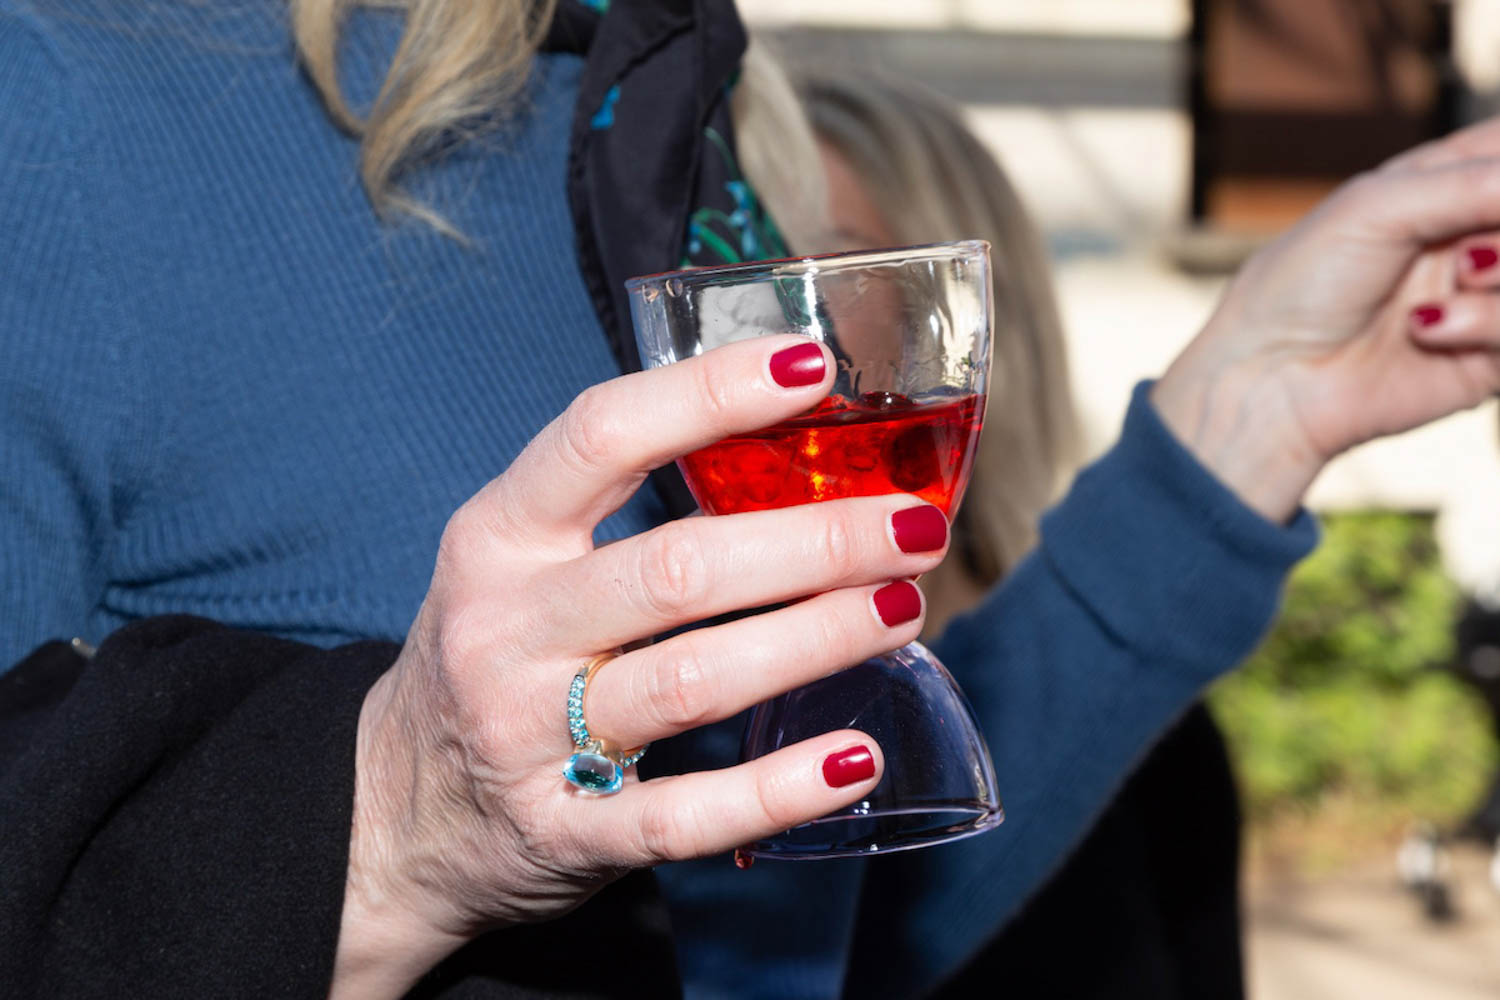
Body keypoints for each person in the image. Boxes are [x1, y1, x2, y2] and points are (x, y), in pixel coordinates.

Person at [4, 3, 1500, 1000]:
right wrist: (390, 820)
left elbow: (786, 905)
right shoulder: (66, 93)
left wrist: (1250, 415)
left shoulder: (662, 111)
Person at [796, 70, 1247, 998]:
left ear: (972, 320)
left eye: (832, 262)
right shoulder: (695, 732)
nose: (771, 311)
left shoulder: (1136, 719)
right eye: (740, 256)